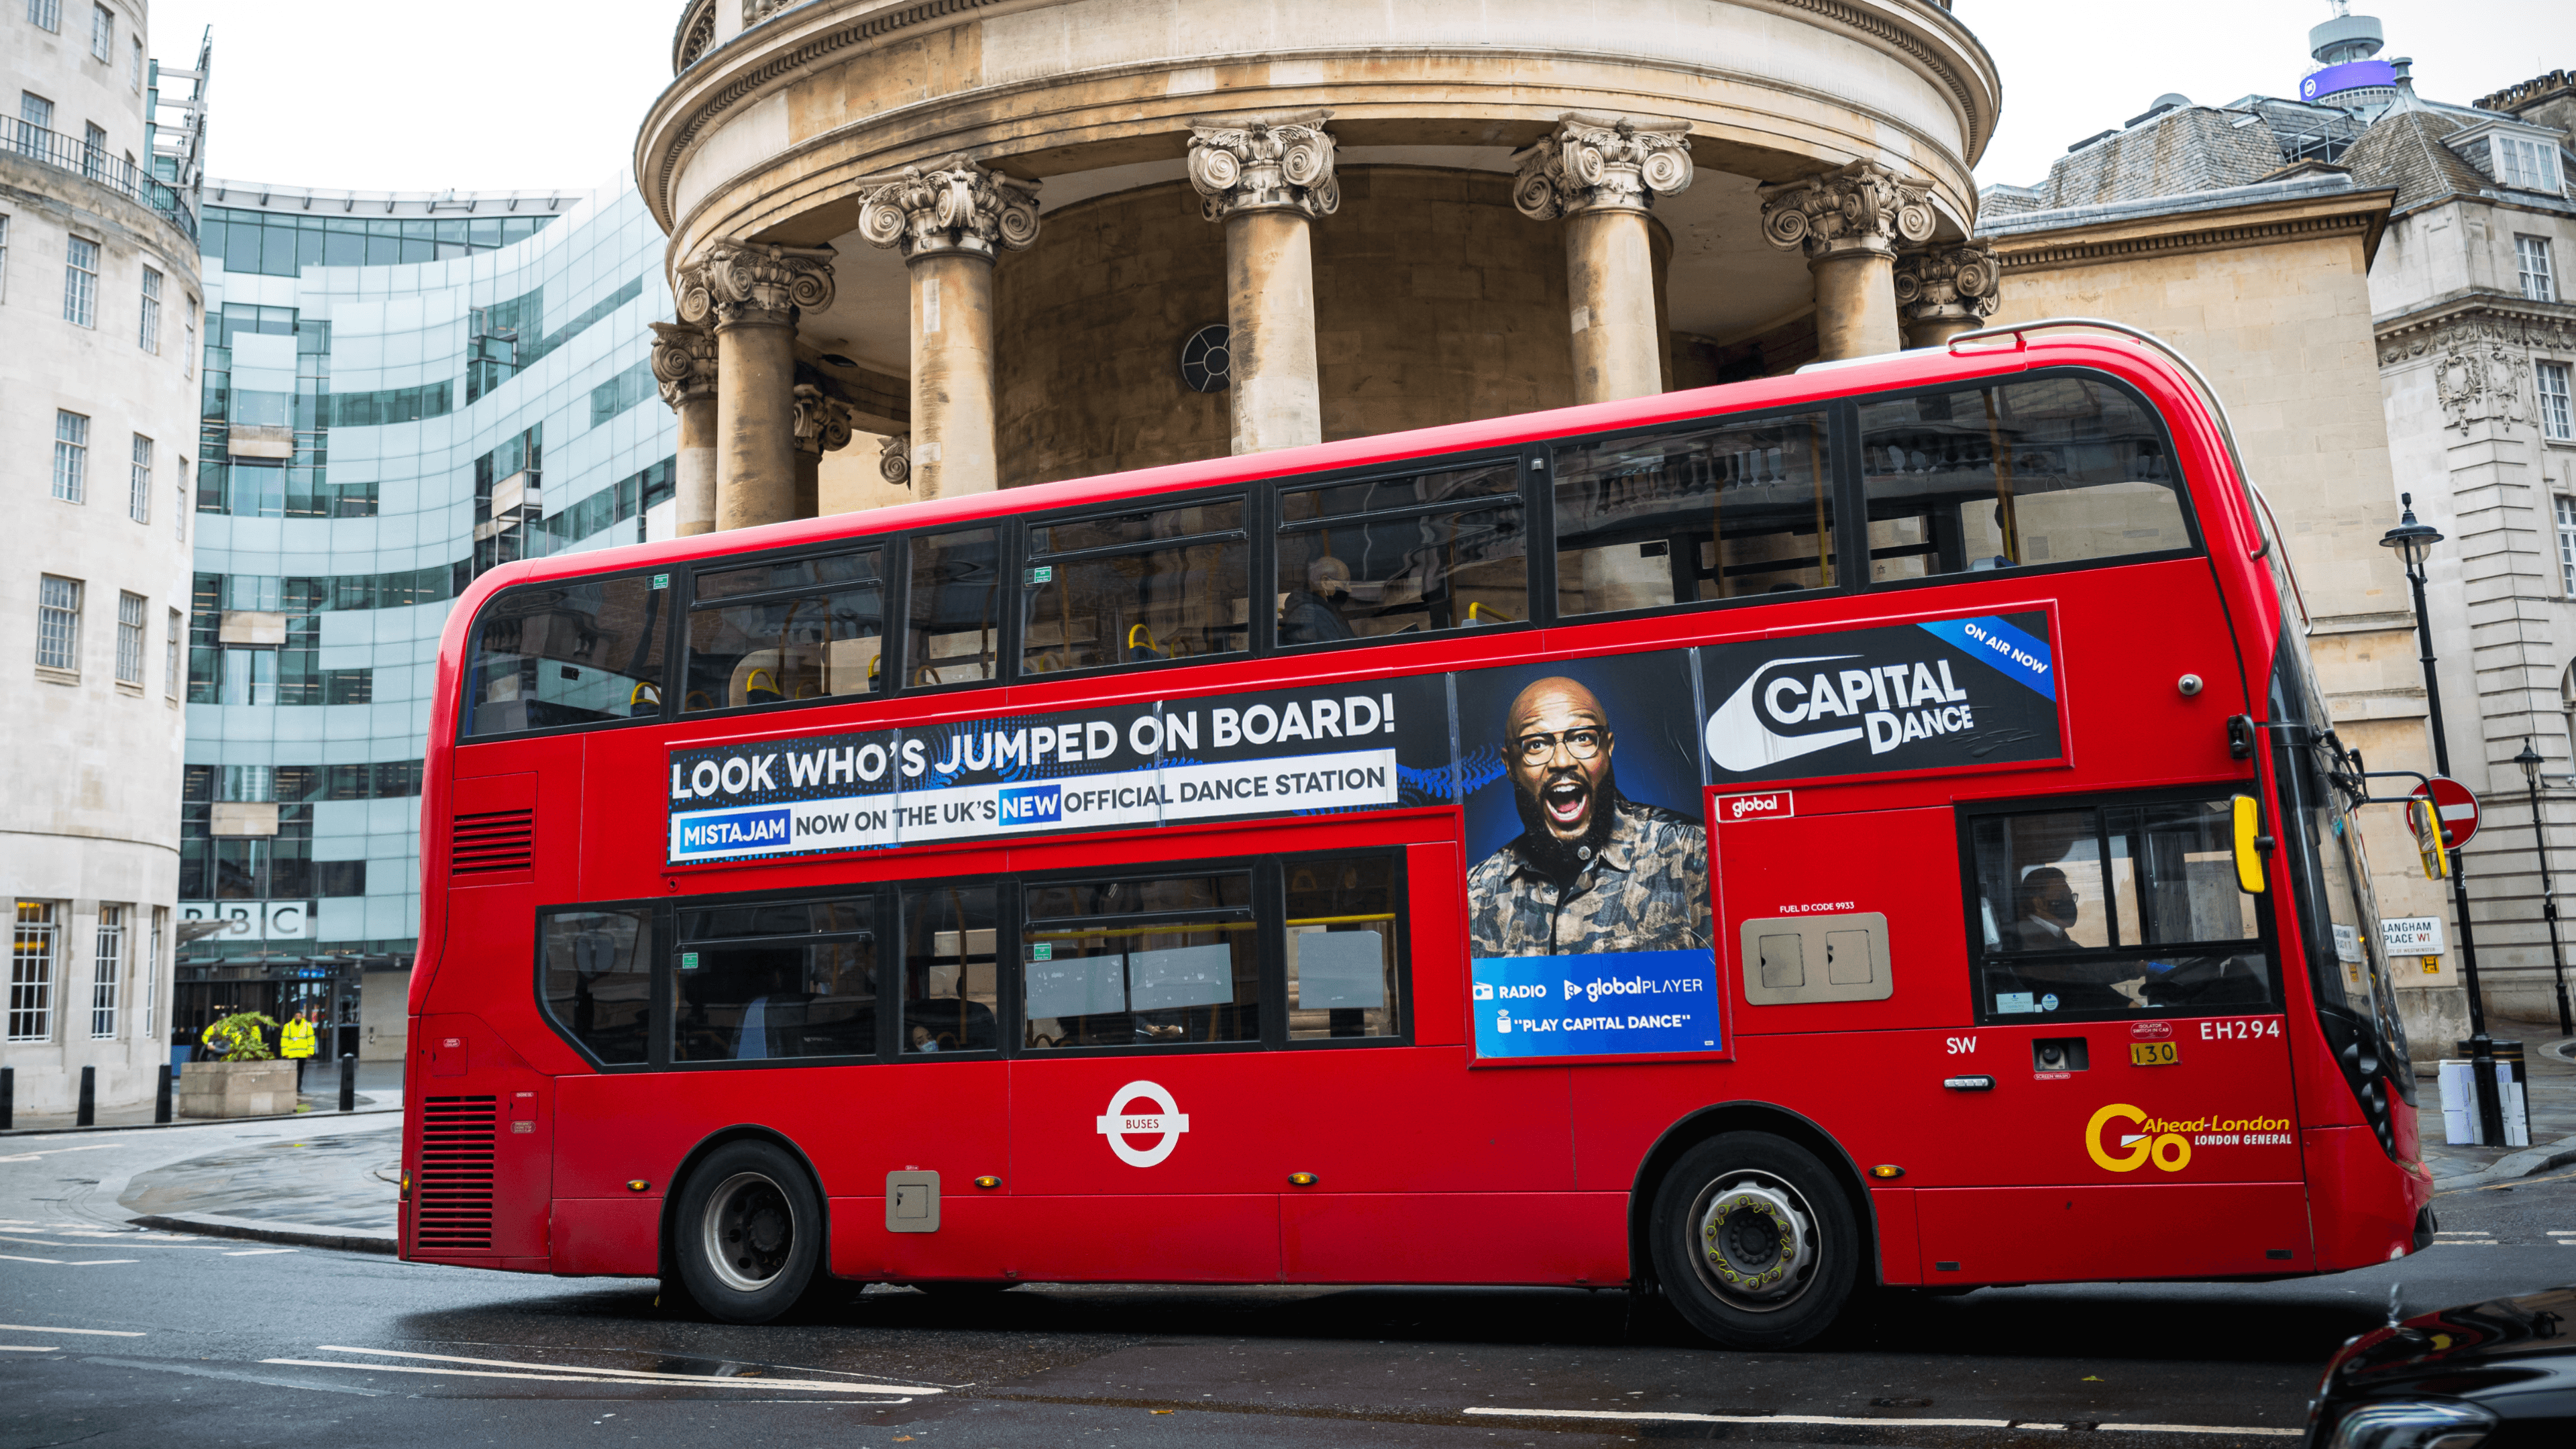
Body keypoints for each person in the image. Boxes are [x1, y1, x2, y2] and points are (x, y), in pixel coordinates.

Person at [1466, 677, 1709, 956]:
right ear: (1510, 765)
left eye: (1582, 738)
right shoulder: (1476, 894)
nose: (1562, 761)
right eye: (1536, 744)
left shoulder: (1691, 854)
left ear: (1607, 748)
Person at [1278, 556, 1357, 645]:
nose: (1349, 589)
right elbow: (1331, 652)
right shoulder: (1315, 614)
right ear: (1325, 582)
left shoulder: (1324, 609)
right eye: (1345, 583)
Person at [280, 1010, 318, 1089]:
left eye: (299, 1016)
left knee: (300, 1070)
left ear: (302, 1017)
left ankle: (298, 1086)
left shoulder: (308, 1026)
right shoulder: (288, 1026)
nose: (298, 1017)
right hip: (291, 1053)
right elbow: (284, 1040)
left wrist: (310, 1052)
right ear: (294, 1017)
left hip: (302, 1053)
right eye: (296, 1016)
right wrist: (284, 1053)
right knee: (292, 1071)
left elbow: (311, 1040)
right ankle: (292, 1085)